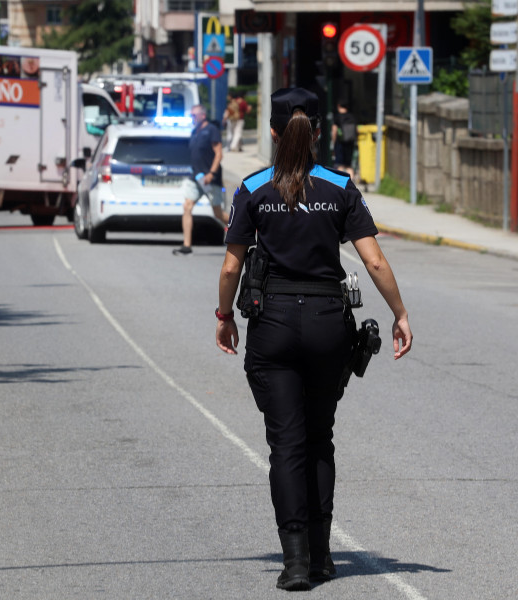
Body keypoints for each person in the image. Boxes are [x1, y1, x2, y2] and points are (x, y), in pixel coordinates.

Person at [215, 88, 412, 591]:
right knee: (319, 439)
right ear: (319, 131)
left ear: (275, 131)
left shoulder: (254, 187)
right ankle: (324, 557)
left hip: (274, 323)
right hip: (328, 322)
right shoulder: (340, 187)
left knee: (287, 447)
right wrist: (399, 313)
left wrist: (224, 316)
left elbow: (232, 264)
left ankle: (296, 561)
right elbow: (373, 261)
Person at [173, 104, 228, 255]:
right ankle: (187, 245)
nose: (192, 118)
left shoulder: (211, 130)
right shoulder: (194, 132)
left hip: (209, 179)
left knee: (217, 213)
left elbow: (219, 154)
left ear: (203, 115)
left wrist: (211, 173)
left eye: (194, 115)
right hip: (196, 178)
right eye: (191, 115)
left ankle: (243, 233)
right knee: (187, 206)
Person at [330, 100, 357, 180]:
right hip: (350, 143)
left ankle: (339, 182)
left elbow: (334, 131)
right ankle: (351, 182)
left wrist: (333, 142)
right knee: (348, 164)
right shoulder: (352, 116)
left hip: (340, 143)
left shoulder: (338, 117)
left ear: (339, 106)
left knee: (340, 164)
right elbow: (356, 130)